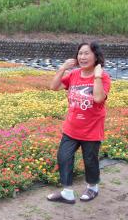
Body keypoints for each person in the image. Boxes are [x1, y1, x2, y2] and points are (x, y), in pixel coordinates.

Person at [46, 42, 111, 204]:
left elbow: (97, 98)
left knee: (90, 160)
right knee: (64, 157)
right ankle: (67, 192)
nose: (82, 57)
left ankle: (92, 187)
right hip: (71, 127)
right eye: (80, 53)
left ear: (96, 56)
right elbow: (53, 87)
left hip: (92, 128)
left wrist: (96, 75)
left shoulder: (103, 77)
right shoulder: (74, 74)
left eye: (87, 53)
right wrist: (62, 68)